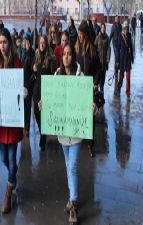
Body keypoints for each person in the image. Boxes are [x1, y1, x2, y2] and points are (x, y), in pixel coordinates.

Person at [38, 43, 97, 224]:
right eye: (64, 54)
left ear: (74, 57)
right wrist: (43, 105)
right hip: (63, 132)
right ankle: (72, 196)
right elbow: (51, 100)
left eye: (70, 54)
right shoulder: (56, 76)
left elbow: (88, 103)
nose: (66, 57)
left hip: (77, 131)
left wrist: (92, 108)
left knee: (72, 166)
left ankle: (73, 203)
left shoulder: (81, 78)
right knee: (68, 165)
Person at [0, 28, 24, 214]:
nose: (3, 46)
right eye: (0, 42)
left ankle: (8, 193)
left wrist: (23, 91)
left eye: (5, 42)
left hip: (12, 118)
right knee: (4, 157)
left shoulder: (16, 62)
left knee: (11, 158)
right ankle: (13, 177)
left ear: (9, 44)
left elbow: (20, 84)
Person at [75, 20, 100, 158]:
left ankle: (90, 144)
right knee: (80, 115)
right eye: (78, 33)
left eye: (81, 33)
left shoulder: (92, 50)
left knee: (90, 117)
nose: (79, 36)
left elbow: (99, 68)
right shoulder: (76, 49)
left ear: (86, 34)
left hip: (90, 90)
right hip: (78, 90)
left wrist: (95, 82)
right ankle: (80, 139)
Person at [32, 35, 56, 151]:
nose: (41, 44)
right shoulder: (36, 56)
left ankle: (43, 139)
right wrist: (34, 69)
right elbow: (32, 74)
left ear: (46, 44)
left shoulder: (50, 59)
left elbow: (52, 77)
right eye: (40, 42)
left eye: (43, 43)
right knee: (36, 112)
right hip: (37, 89)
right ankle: (43, 131)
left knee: (44, 114)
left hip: (46, 90)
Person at [21, 32, 35, 137]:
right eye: (23, 40)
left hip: (28, 84)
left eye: (25, 41)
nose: (23, 42)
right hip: (20, 82)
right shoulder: (21, 52)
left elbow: (32, 68)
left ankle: (27, 127)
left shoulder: (31, 53)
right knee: (21, 106)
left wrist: (29, 50)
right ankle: (22, 124)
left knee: (27, 106)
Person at [117, 20, 134, 100]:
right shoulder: (120, 36)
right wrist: (117, 61)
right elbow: (118, 49)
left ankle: (128, 93)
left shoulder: (130, 35)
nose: (126, 30)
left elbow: (131, 47)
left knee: (128, 77)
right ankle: (119, 87)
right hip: (121, 59)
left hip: (128, 59)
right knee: (121, 76)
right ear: (123, 28)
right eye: (125, 28)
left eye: (127, 28)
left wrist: (132, 57)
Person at [95, 23, 111, 94]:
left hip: (104, 62)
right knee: (98, 77)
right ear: (100, 29)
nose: (103, 29)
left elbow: (109, 49)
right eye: (102, 28)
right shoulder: (97, 37)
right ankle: (97, 91)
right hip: (98, 62)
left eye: (104, 28)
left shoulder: (107, 38)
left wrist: (108, 59)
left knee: (103, 78)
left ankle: (101, 91)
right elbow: (94, 47)